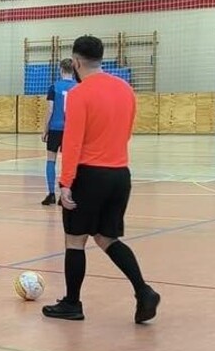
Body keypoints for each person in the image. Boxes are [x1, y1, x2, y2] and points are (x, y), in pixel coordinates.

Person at [44, 36, 160, 324]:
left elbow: (72, 142)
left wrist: (66, 183)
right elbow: (127, 131)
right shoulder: (125, 89)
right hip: (120, 174)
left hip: (89, 174)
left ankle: (72, 303)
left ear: (76, 62)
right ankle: (144, 291)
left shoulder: (79, 94)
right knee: (106, 237)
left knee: (75, 239)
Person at [41, 59, 78, 206]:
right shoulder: (78, 87)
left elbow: (50, 109)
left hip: (55, 128)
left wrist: (45, 129)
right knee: (68, 162)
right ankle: (65, 195)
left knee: (51, 160)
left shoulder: (54, 87)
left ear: (61, 69)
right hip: (71, 130)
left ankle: (51, 194)